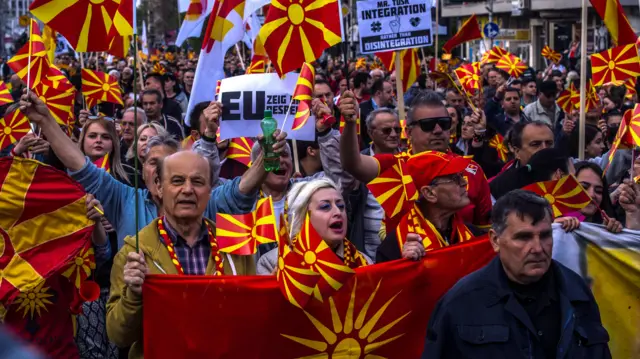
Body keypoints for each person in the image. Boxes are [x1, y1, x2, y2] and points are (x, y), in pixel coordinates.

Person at [19, 90, 286, 248]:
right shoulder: (124, 199)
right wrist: (45, 120)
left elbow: (241, 190)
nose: (159, 171)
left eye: (169, 165)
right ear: (142, 168)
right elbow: (80, 166)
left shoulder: (204, 199)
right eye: (152, 163)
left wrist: (267, 156)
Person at [422, 190, 612, 359]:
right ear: (495, 241)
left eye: (545, 235)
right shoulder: (461, 303)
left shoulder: (576, 291)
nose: (538, 248)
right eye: (524, 237)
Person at [106, 151, 256, 359]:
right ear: (159, 187)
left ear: (211, 189)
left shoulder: (236, 246)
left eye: (197, 181)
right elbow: (118, 336)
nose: (187, 190)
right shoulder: (133, 253)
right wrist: (134, 296)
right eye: (177, 181)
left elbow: (253, 321)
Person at [340, 90, 492, 229]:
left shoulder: (470, 170)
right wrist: (350, 124)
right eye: (428, 125)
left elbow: (484, 230)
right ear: (409, 132)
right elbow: (353, 164)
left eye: (444, 123)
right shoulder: (397, 166)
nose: (438, 130)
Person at [377, 151, 485, 262]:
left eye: (461, 175)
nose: (464, 182)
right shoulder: (394, 247)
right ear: (429, 193)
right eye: (455, 179)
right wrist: (405, 265)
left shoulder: (475, 235)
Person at [256, 178, 373, 274]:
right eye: (325, 207)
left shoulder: (363, 262)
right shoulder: (272, 262)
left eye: (341, 206)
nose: (338, 212)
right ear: (303, 217)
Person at [359, 79, 394, 146]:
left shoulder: (393, 109)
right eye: (388, 92)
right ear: (378, 93)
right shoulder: (361, 109)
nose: (392, 95)